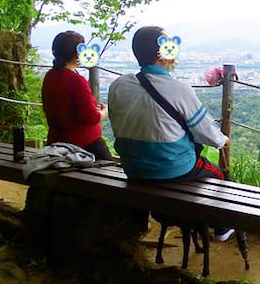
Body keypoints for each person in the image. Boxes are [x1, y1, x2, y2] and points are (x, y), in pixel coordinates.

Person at [107, 26, 234, 240]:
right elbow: (208, 135)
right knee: (220, 176)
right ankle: (220, 227)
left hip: (132, 167)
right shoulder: (179, 89)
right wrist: (224, 140)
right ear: (160, 53)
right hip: (171, 169)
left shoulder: (118, 85)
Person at [41, 30, 112, 160]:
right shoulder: (76, 81)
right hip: (84, 144)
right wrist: (105, 111)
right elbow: (91, 117)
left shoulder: (50, 76)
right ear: (77, 53)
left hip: (57, 141)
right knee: (111, 172)